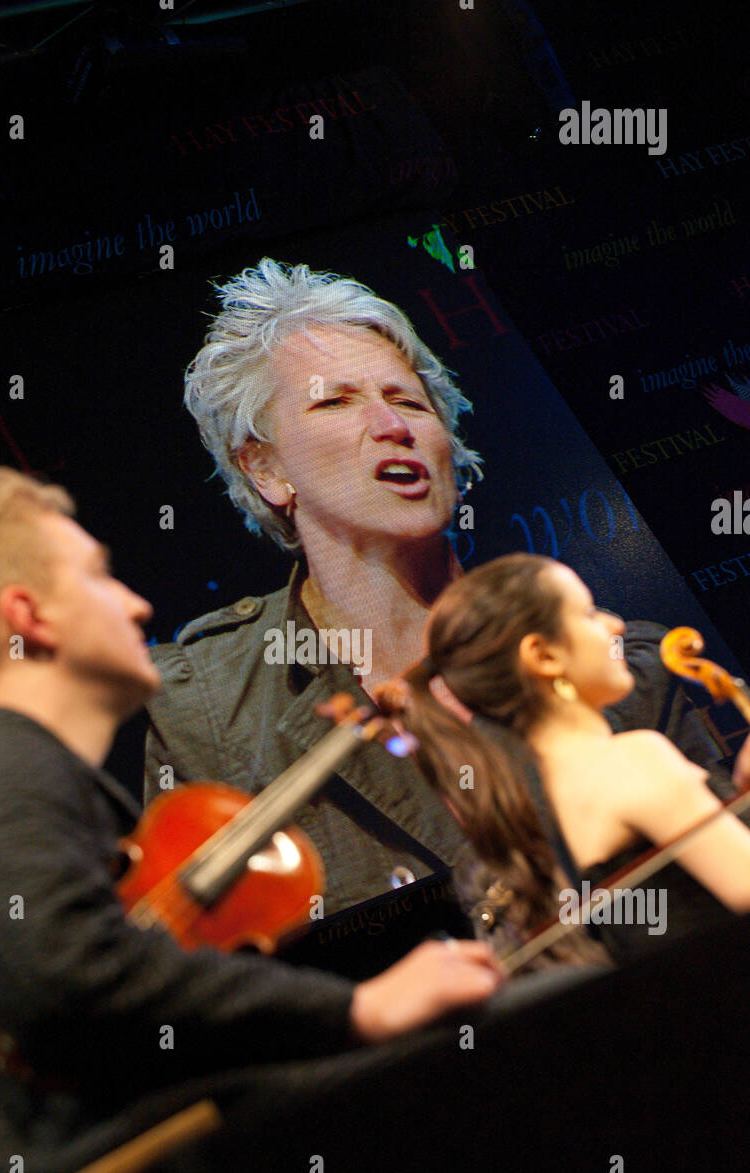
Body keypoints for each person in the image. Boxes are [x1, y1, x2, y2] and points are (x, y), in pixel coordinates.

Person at [0, 466, 507, 1173]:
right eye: (100, 579)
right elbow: (72, 978)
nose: (139, 607)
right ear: (28, 618)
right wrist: (357, 1011)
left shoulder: (23, 775)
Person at [146, 257, 745, 919]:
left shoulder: (608, 661)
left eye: (407, 400)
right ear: (265, 468)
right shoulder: (201, 708)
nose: (393, 425)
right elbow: (198, 972)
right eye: (335, 400)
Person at [373, 552, 750, 963]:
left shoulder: (531, 801)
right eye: (589, 614)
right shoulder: (632, 760)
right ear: (544, 656)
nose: (616, 625)